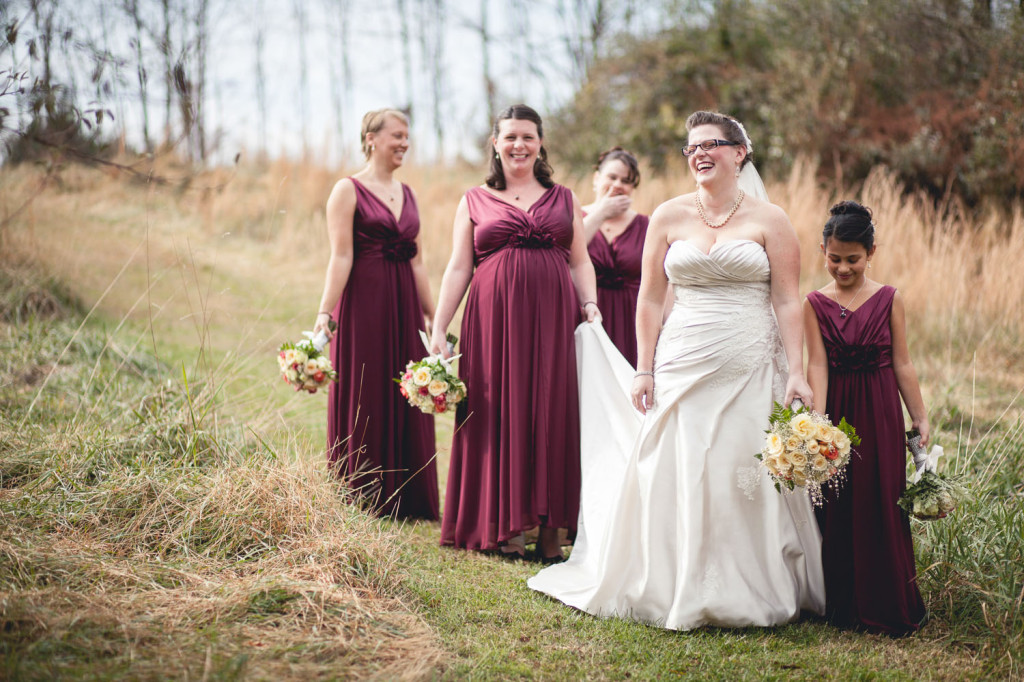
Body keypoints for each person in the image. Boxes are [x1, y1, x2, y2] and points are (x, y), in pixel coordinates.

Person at [528, 111, 825, 630]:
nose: (700, 154)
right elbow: (649, 299)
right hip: (681, 359)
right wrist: (643, 369)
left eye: (712, 144)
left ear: (740, 153)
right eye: (691, 147)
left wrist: (795, 372)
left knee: (740, 469)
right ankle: (672, 579)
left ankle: (749, 582)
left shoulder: (770, 219)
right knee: (678, 465)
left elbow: (786, 300)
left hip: (750, 363)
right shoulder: (667, 216)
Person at [429, 104, 600, 562]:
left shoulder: (565, 198)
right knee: (496, 409)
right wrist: (440, 325)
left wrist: (590, 305)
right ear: (495, 143)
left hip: (554, 317)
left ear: (541, 142)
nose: (519, 145)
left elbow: (580, 260)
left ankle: (551, 527)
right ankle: (502, 524)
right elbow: (459, 266)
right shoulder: (473, 199)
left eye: (527, 136)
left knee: (551, 407)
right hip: (492, 320)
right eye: (510, 137)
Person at [804, 200, 928, 635]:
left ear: (871, 252)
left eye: (852, 259)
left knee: (880, 497)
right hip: (837, 409)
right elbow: (816, 365)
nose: (842, 268)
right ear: (823, 250)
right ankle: (842, 605)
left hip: (879, 410)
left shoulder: (890, 299)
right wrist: (817, 422)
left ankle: (887, 601)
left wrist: (920, 416)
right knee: (839, 501)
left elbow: (903, 364)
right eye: (834, 258)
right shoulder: (814, 303)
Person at [312, 108, 439, 520]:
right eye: (396, 135)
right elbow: (340, 256)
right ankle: (363, 491)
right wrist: (324, 312)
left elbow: (418, 262)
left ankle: (408, 496)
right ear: (371, 138)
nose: (404, 143)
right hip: (364, 302)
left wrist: (433, 316)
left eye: (407, 136)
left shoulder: (410, 194)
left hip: (404, 306)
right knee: (365, 389)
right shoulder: (347, 190)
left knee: (406, 389)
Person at [581, 147, 649, 366]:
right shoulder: (575, 216)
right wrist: (601, 213)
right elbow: (566, 254)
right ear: (596, 178)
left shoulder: (646, 225)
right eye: (612, 177)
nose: (619, 184)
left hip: (631, 320)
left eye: (626, 181)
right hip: (588, 316)